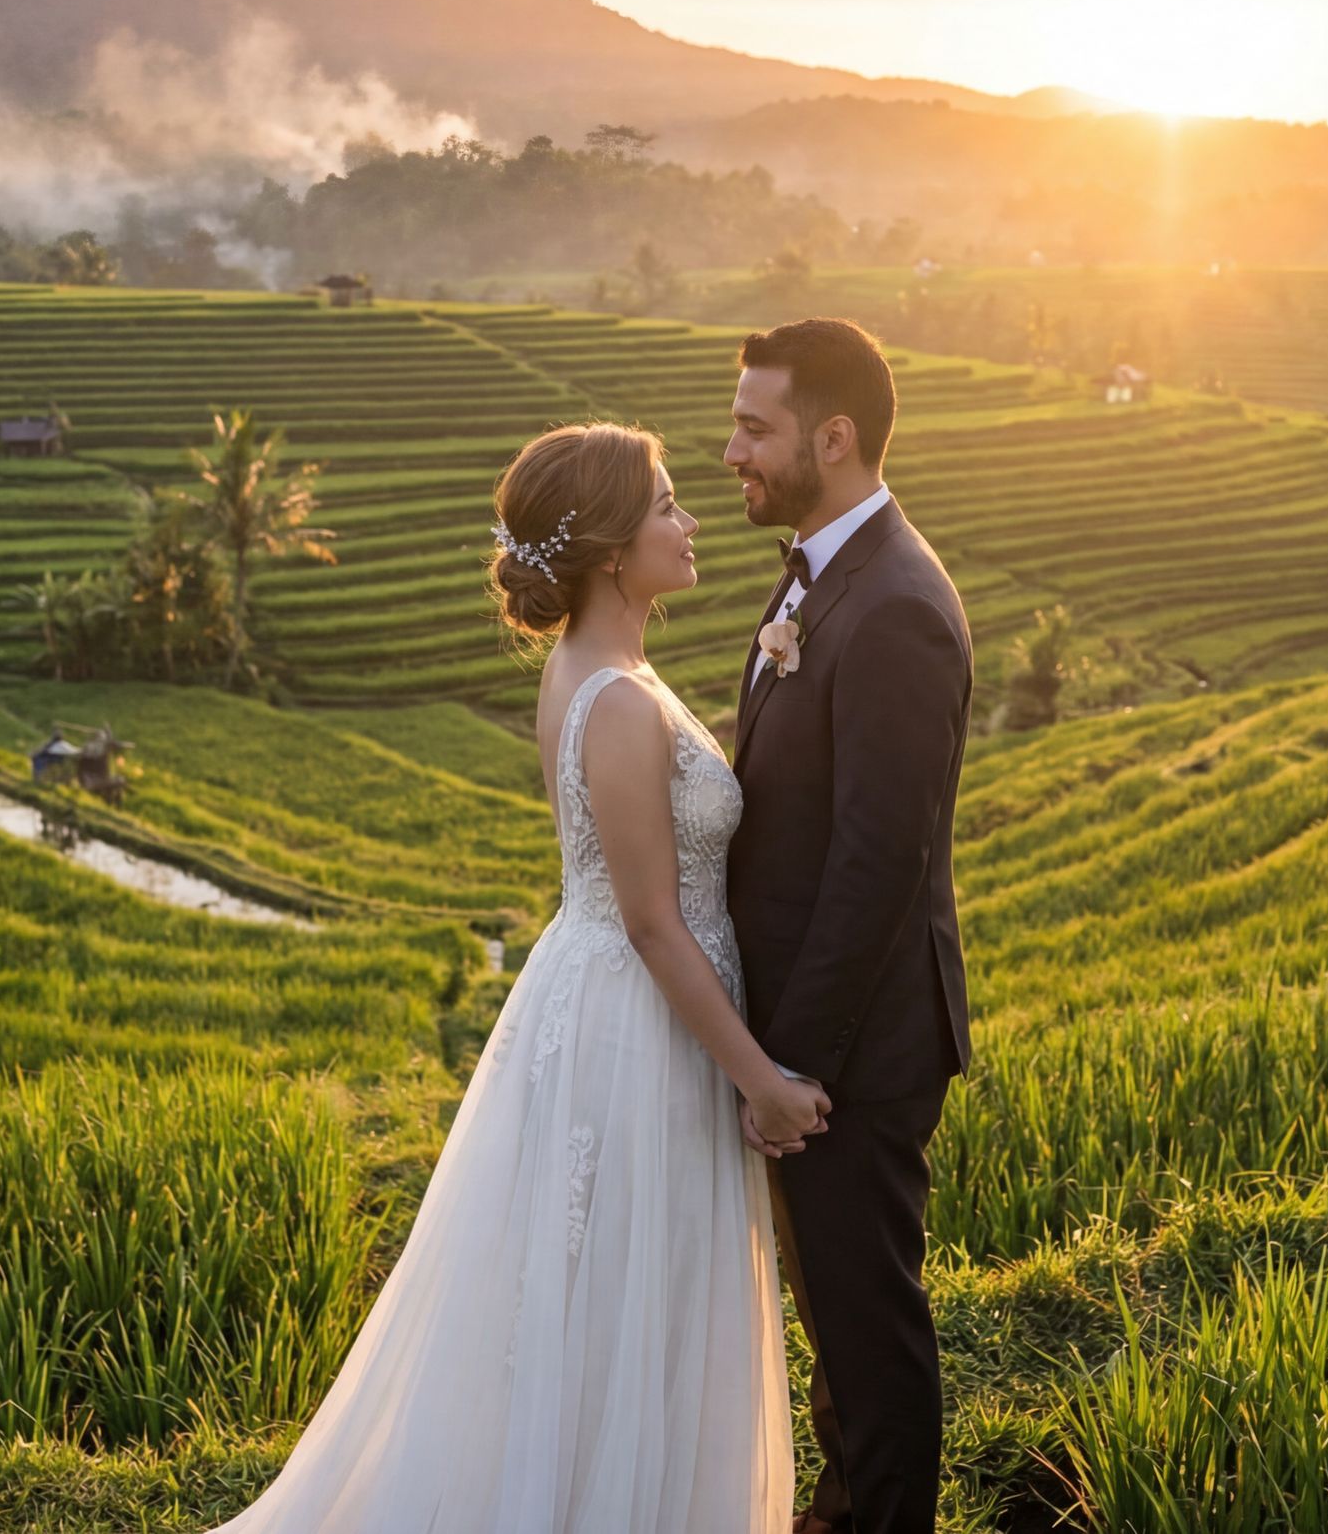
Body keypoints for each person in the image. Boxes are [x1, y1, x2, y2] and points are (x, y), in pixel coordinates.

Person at [212, 421, 822, 1533]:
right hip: (645, 1019)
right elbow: (650, 921)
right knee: (633, 1293)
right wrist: (761, 1079)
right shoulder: (622, 700)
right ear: (604, 550)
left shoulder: (593, 672)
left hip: (606, 1000)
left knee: (600, 1296)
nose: (689, 524)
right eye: (668, 506)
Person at [724, 318, 974, 1534]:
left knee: (870, 1338)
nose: (732, 451)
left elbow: (882, 862)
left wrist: (790, 1065)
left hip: (857, 1052)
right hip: (811, 1038)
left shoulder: (896, 609)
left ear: (833, 437)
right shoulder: (819, 567)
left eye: (753, 426)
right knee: (838, 1322)